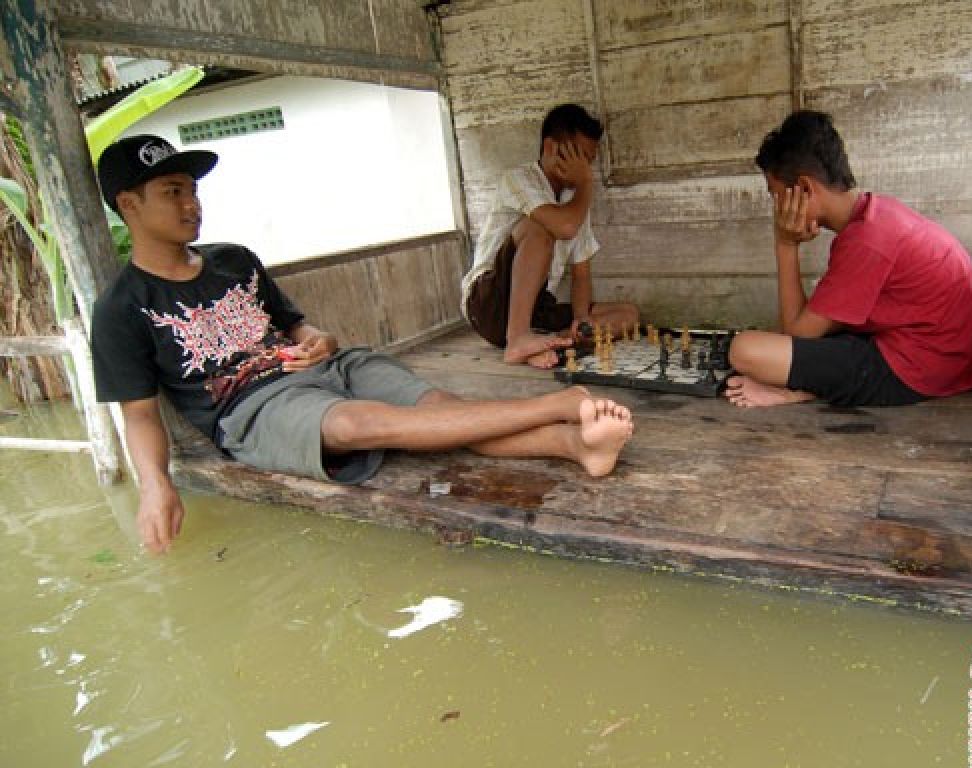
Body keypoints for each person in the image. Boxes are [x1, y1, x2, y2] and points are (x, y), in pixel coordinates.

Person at [90, 135, 635, 554]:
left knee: (445, 412)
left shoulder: (233, 258)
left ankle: (574, 446)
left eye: (192, 190)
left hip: (328, 371)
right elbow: (139, 415)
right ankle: (556, 405)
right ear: (128, 205)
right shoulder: (121, 306)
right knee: (357, 425)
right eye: (173, 192)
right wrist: (154, 484)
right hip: (259, 408)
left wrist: (318, 339)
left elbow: (296, 324)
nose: (191, 204)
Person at [724, 111, 972, 408]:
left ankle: (797, 391)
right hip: (942, 357)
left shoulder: (868, 240)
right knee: (776, 342)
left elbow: (796, 334)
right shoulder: (876, 213)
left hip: (918, 370)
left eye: (776, 195)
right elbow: (809, 328)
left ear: (806, 189)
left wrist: (785, 245)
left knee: (745, 349)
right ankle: (803, 388)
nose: (776, 208)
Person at [461, 103, 639, 368]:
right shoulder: (518, 179)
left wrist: (581, 320)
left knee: (628, 315)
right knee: (540, 228)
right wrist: (587, 184)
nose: (586, 170)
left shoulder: (575, 202)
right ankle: (519, 338)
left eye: (589, 163)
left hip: (538, 308)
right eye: (582, 158)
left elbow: (581, 273)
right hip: (490, 305)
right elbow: (564, 228)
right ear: (551, 148)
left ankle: (552, 343)